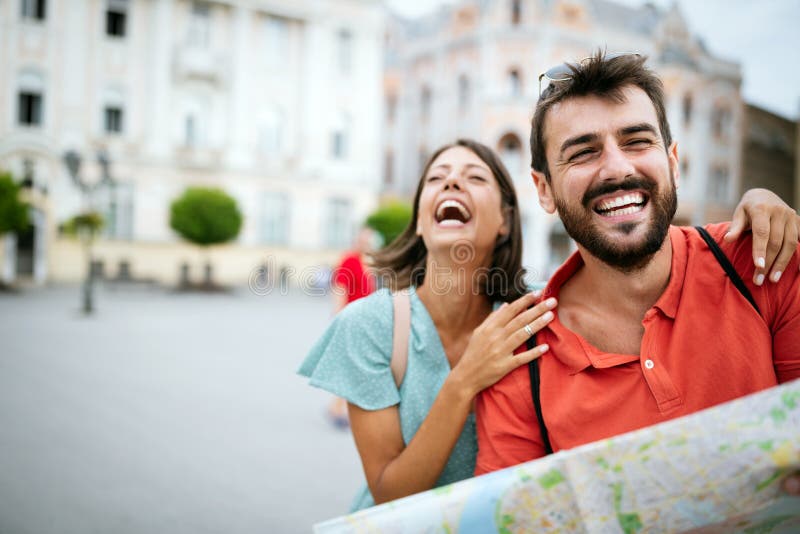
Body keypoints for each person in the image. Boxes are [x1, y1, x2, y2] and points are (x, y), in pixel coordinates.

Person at [300, 135, 797, 510]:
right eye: (436, 178)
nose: (451, 181)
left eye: (474, 177)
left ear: (505, 220)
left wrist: (760, 200)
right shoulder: (369, 326)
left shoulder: (536, 320)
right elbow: (390, 494)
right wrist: (465, 380)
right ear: (421, 218)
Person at [474, 52, 800, 498]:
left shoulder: (764, 261)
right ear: (544, 190)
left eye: (637, 141)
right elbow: (510, 518)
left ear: (674, 163)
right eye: (583, 152)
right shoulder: (520, 360)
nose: (617, 168)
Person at [326, 227, 379, 428]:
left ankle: (338, 408)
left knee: (355, 367)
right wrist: (339, 317)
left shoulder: (368, 263)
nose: (366, 243)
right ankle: (336, 409)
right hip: (350, 318)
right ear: (356, 240)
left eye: (369, 240)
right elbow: (340, 288)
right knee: (352, 367)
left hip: (365, 320)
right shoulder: (350, 260)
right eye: (363, 239)